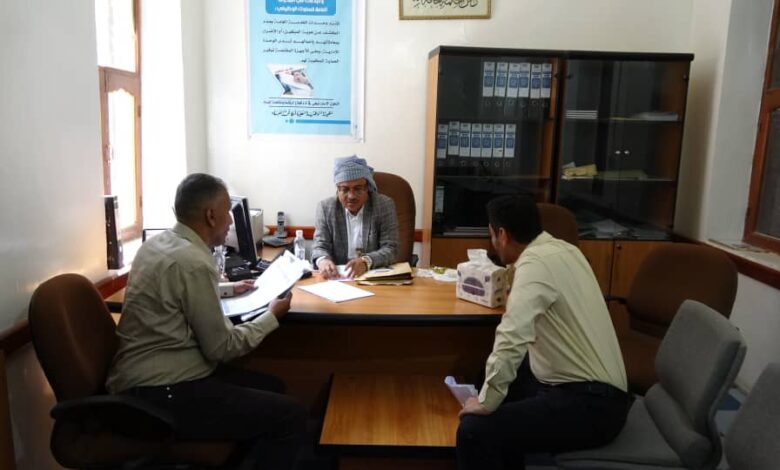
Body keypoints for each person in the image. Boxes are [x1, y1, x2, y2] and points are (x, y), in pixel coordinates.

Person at [106, 173, 306, 470]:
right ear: (211, 216)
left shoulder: (158, 244)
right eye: (227, 212)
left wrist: (228, 288)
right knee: (291, 415)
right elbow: (223, 348)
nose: (230, 221)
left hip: (140, 380)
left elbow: (176, 290)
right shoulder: (194, 262)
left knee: (272, 386)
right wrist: (271, 316)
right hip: (162, 392)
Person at [456, 195, 629, 470]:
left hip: (593, 406)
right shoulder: (565, 250)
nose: (492, 243)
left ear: (502, 234)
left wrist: (486, 403)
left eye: (491, 235)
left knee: (474, 429)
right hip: (599, 391)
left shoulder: (534, 266)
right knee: (492, 377)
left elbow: (512, 336)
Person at [312, 155, 399, 279]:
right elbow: (320, 246)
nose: (351, 196)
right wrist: (323, 260)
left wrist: (366, 261)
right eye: (345, 189)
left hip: (373, 277)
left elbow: (391, 249)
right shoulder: (326, 208)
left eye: (358, 189)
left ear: (367, 188)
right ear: (337, 190)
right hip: (338, 278)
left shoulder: (383, 205)